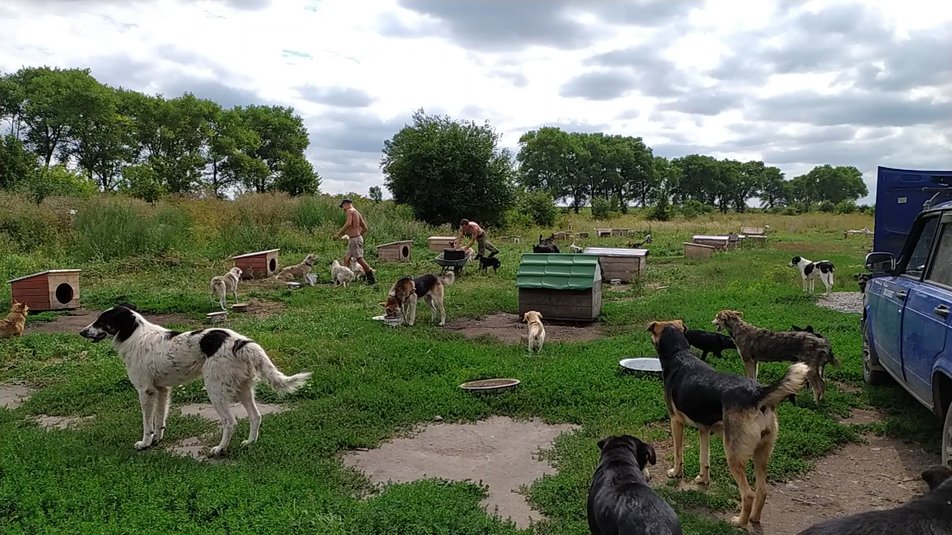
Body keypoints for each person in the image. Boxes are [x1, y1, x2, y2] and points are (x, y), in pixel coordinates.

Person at [333, 199, 376, 285]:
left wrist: (338, 234)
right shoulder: (357, 213)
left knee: (360, 259)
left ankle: (371, 278)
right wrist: (358, 235)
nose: (343, 209)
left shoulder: (350, 211)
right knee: (346, 258)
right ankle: (344, 278)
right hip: (355, 238)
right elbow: (365, 228)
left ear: (346, 204)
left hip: (355, 239)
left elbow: (348, 223)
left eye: (343, 206)